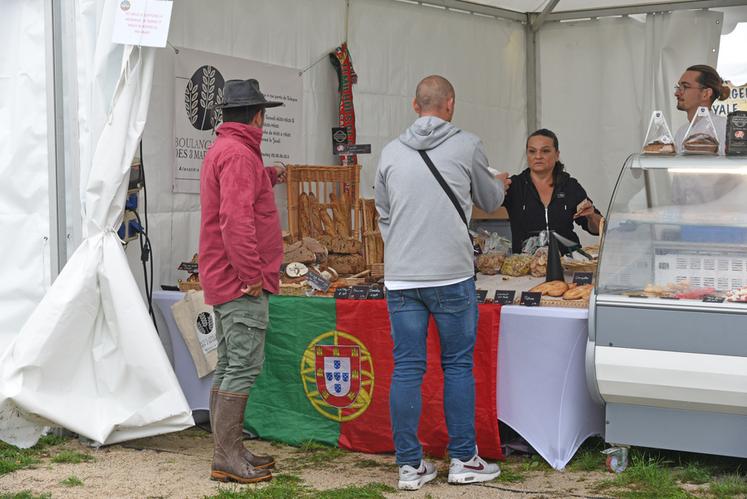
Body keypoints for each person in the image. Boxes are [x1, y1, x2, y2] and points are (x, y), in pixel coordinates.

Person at [375, 75, 507, 491]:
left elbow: (383, 213)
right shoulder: (467, 144)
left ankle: (409, 466)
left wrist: (402, 249)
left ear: (416, 106)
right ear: (450, 104)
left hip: (401, 276)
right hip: (451, 273)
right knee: (457, 366)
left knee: (407, 368)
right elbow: (490, 202)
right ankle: (465, 458)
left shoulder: (390, 152)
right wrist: (499, 182)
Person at [199, 79, 285, 484]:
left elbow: (239, 195)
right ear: (258, 116)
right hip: (240, 282)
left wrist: (271, 174)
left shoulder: (229, 150)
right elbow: (236, 220)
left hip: (225, 278)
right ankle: (226, 455)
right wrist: (252, 275)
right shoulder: (238, 155)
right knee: (241, 367)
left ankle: (227, 451)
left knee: (230, 365)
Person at [503, 129, 602, 254]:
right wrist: (494, 186)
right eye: (532, 151)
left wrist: (591, 216)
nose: (538, 156)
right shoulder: (514, 185)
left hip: (567, 262)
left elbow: (598, 229)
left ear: (557, 155)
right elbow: (484, 201)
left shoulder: (570, 186)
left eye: (545, 151)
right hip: (526, 265)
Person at [673, 64, 729, 155]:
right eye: (678, 87)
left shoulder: (724, 127)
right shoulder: (682, 131)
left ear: (706, 94)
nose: (677, 93)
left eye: (685, 87)